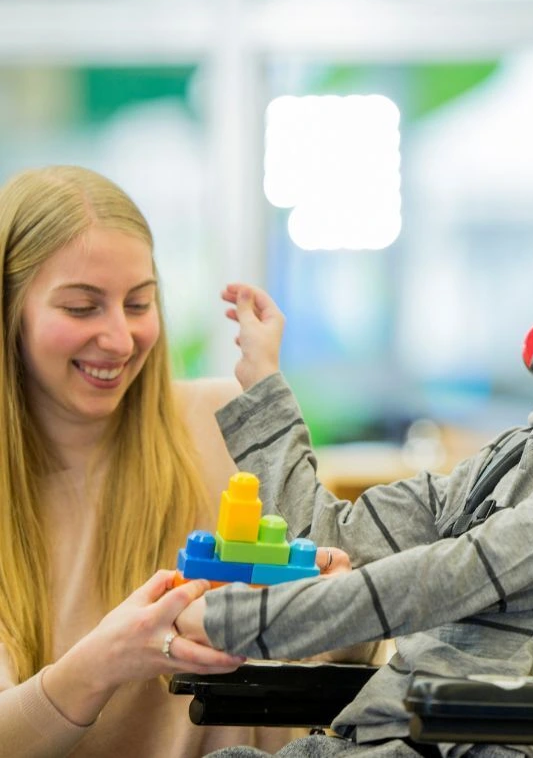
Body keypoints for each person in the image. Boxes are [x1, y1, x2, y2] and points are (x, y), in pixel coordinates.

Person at [177, 168, 533, 757]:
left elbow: (459, 573)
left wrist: (240, 622)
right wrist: (262, 385)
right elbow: (326, 537)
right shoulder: (524, 448)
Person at [0, 165, 321, 757]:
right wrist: (103, 663)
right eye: (81, 307)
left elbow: (334, 662)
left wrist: (342, 605)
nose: (121, 340)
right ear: (9, 315)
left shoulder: (230, 420)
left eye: (138, 303)